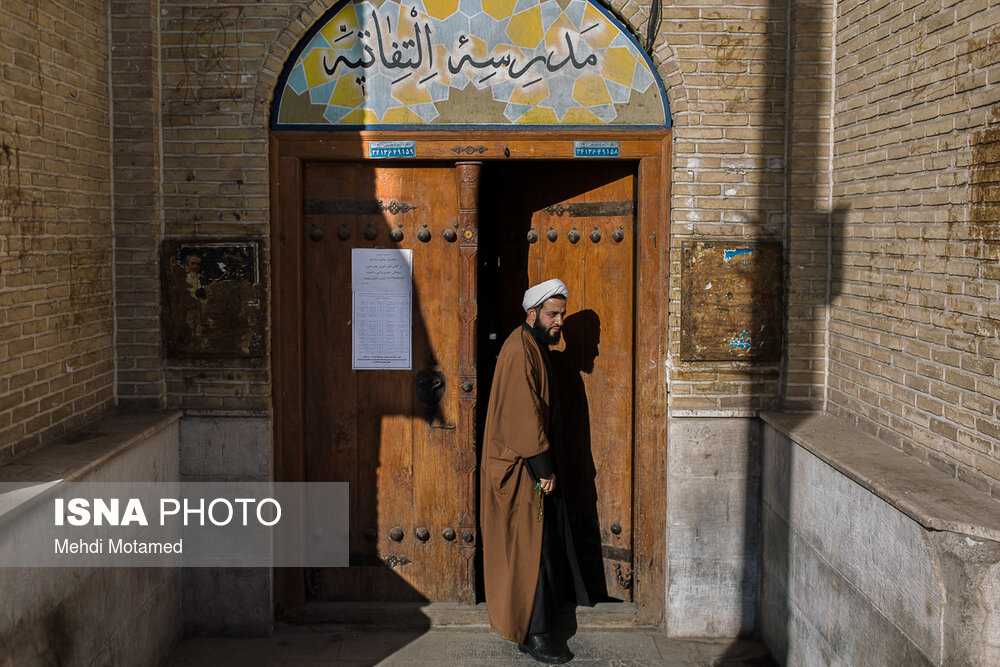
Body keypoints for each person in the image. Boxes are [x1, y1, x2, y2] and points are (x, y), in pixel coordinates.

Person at [480, 278, 590, 665]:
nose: (560, 321)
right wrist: (543, 468)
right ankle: (534, 633)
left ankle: (541, 622)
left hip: (531, 463)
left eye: (562, 314)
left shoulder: (532, 345)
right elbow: (522, 415)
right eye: (553, 314)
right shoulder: (518, 349)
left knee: (540, 548)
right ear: (532, 314)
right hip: (523, 468)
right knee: (532, 551)